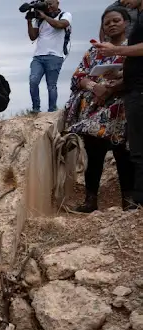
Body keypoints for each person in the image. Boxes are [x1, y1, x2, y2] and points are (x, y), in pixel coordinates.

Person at [66, 8, 132, 212]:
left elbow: (136, 76)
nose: (111, 25)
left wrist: (112, 87)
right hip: (94, 107)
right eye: (107, 23)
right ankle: (90, 200)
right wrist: (95, 87)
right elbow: (77, 77)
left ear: (126, 23)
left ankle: (128, 201)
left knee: (123, 153)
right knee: (93, 153)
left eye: (116, 20)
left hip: (120, 108)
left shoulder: (132, 48)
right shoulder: (94, 50)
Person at [94, 0, 143, 207]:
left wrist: (117, 51)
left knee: (137, 151)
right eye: (107, 23)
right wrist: (121, 74)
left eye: (117, 20)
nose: (123, 0)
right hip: (133, 89)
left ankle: (138, 201)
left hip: (137, 93)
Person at [27, 0, 72, 113]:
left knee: (51, 85)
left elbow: (60, 25)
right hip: (38, 56)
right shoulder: (40, 20)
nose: (49, 6)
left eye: (51, 3)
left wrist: (44, 16)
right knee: (33, 81)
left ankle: (52, 110)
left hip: (55, 56)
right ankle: (36, 109)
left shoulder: (65, 15)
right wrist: (29, 21)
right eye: (46, 4)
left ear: (57, 3)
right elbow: (33, 37)